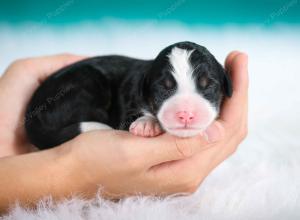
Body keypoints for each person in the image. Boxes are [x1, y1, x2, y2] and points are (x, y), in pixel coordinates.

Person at [0, 51, 248, 213]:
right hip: (59, 109)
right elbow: (127, 119)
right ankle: (70, 128)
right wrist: (69, 172)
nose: (186, 112)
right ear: (147, 89)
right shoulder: (137, 92)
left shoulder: (148, 83)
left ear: (225, 86)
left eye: (206, 89)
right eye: (166, 89)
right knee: (92, 88)